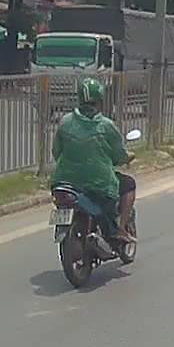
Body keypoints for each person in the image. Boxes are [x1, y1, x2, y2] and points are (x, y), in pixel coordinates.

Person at [50, 77, 136, 242]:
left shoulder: (65, 122)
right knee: (129, 184)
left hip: (64, 181)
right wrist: (127, 157)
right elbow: (119, 156)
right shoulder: (107, 126)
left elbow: (56, 152)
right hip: (99, 184)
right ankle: (120, 229)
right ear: (100, 101)